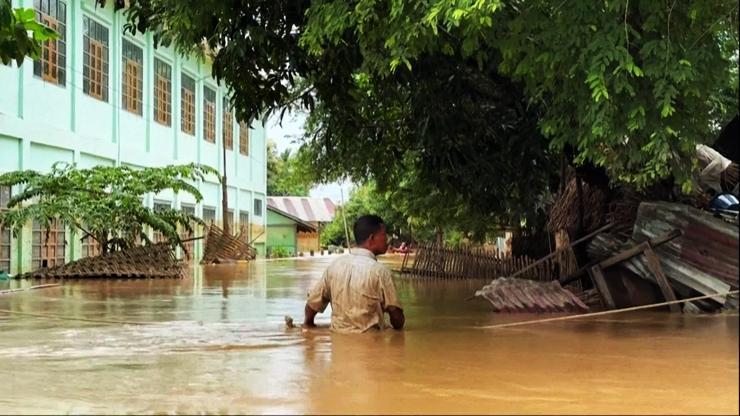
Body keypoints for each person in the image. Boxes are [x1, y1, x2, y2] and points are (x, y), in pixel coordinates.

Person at [303, 215, 405, 333]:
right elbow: (398, 322)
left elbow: (311, 307)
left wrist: (308, 326)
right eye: (384, 235)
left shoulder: (334, 266)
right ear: (372, 238)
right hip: (371, 345)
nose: (387, 240)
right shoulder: (381, 272)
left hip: (338, 343)